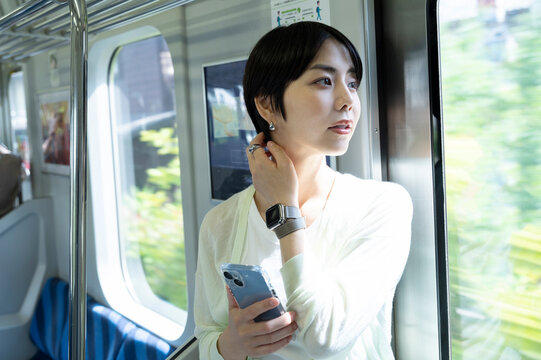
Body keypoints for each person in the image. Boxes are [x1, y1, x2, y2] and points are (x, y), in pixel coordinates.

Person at [194, 21, 413, 360]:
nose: (348, 100)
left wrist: (285, 213)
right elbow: (206, 336)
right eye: (324, 81)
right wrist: (231, 346)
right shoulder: (220, 222)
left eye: (352, 83)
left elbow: (325, 338)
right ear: (267, 105)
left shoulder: (383, 205)